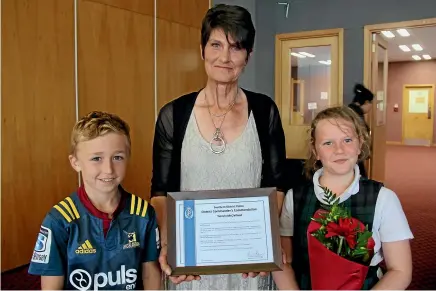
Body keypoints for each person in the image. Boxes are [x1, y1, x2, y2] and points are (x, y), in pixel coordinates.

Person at [150, 3, 288, 290]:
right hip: (190, 264)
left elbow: (276, 186)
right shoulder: (172, 115)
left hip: (247, 262)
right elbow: (161, 192)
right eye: (216, 45)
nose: (225, 57)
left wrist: (263, 240)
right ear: (202, 50)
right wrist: (168, 244)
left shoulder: (264, 111)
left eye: (236, 47)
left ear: (248, 56)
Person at [273, 106, 413, 290]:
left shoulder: (384, 199)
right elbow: (285, 262)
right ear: (315, 150)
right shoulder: (294, 198)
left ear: (360, 143)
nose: (339, 150)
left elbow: (400, 271)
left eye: (347, 140)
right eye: (328, 143)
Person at [28, 111, 162, 290]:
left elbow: (150, 274)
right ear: (75, 162)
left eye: (117, 157)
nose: (108, 169)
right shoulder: (59, 220)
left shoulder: (143, 213)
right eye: (96, 158)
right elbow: (51, 286)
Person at [348, 83, 374, 177]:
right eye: (371, 103)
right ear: (367, 102)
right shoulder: (355, 115)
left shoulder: (351, 111)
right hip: (353, 154)